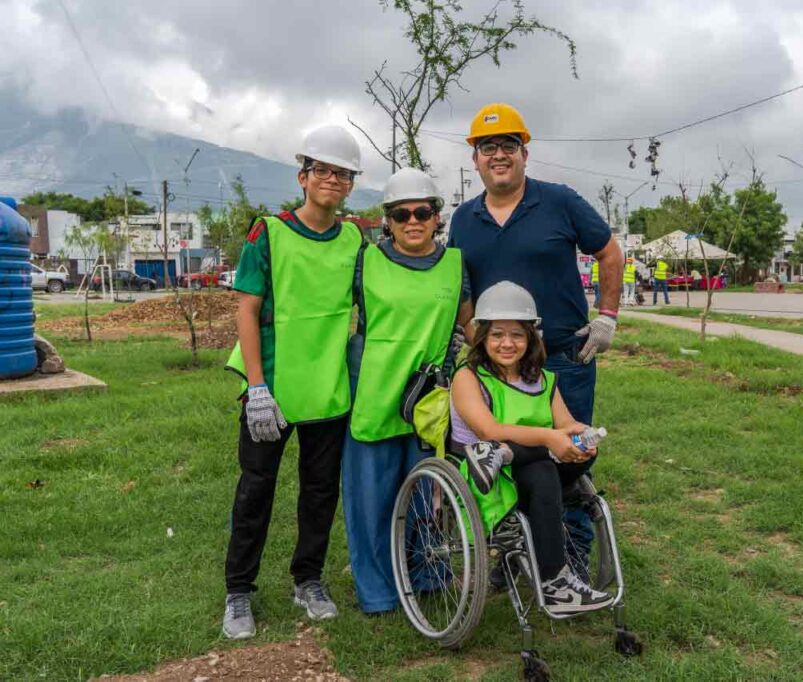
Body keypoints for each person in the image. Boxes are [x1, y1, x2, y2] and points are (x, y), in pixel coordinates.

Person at [447, 102, 623, 572]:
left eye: (508, 146)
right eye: (488, 148)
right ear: (475, 159)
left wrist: (606, 316)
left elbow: (610, 252)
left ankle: (571, 557)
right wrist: (472, 336)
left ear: (525, 153)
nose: (498, 155)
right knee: (512, 458)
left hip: (563, 358)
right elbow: (461, 286)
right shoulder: (464, 220)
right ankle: (517, 548)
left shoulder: (559, 201)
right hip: (499, 363)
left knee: (569, 458)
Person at [221, 126, 364, 638]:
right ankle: (239, 591)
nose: (332, 179)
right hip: (273, 389)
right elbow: (247, 308)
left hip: (327, 390)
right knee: (255, 490)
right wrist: (256, 388)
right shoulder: (269, 232)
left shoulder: (353, 239)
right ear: (304, 176)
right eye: (322, 170)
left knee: (320, 492)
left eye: (342, 173)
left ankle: (308, 579)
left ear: (350, 185)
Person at [341, 167, 473, 616]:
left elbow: (470, 325)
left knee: (427, 498)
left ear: (438, 216)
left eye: (423, 211)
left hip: (429, 402)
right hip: (375, 396)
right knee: (372, 500)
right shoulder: (366, 262)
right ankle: (378, 591)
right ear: (388, 220)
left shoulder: (456, 265)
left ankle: (427, 576)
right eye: (401, 214)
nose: (412, 221)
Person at [451, 281, 611, 614]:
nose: (507, 343)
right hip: (486, 479)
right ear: (482, 337)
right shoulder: (469, 377)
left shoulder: (541, 378)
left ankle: (505, 453)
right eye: (497, 335)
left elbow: (564, 424)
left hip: (524, 469)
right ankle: (555, 582)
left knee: (579, 456)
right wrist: (549, 439)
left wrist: (581, 436)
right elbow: (489, 429)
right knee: (542, 467)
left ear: (531, 339)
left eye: (517, 335)